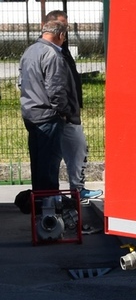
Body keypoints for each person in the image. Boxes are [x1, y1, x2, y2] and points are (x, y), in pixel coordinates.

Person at [19, 13, 76, 194]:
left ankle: (39, 202)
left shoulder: (30, 51)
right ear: (60, 35)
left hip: (31, 113)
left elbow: (22, 82)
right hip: (48, 116)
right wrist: (65, 111)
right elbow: (56, 90)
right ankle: (48, 209)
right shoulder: (53, 55)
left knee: (38, 163)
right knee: (50, 165)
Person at [48, 10, 101, 200]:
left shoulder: (62, 48)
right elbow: (54, 86)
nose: (66, 30)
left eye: (67, 26)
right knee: (59, 153)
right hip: (60, 113)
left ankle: (76, 189)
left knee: (78, 149)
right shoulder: (49, 51)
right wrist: (62, 110)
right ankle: (55, 193)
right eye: (63, 26)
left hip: (69, 111)